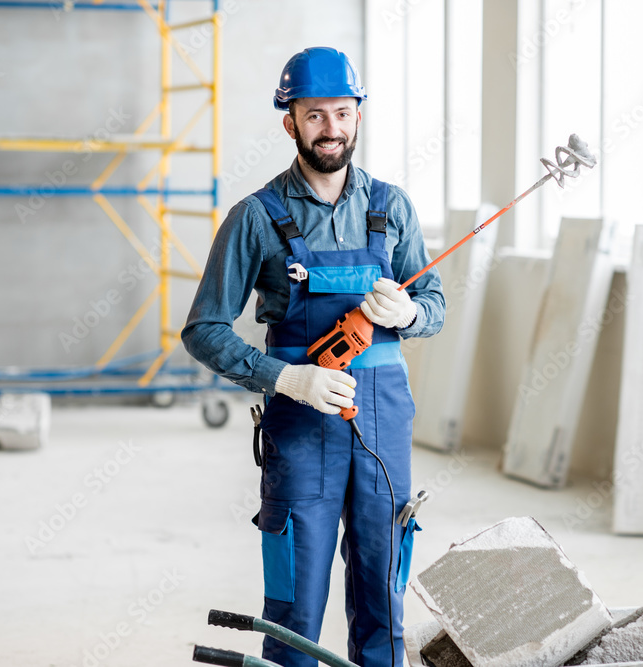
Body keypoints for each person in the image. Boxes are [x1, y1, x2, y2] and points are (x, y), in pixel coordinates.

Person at [182, 46, 445, 666]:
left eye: (342, 113)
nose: (331, 129)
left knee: (385, 587)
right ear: (290, 122)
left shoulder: (393, 209)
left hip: (383, 419)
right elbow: (204, 328)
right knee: (295, 601)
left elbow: (432, 301)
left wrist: (410, 314)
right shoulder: (256, 217)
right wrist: (286, 379)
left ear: (358, 116)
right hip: (302, 423)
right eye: (315, 115)